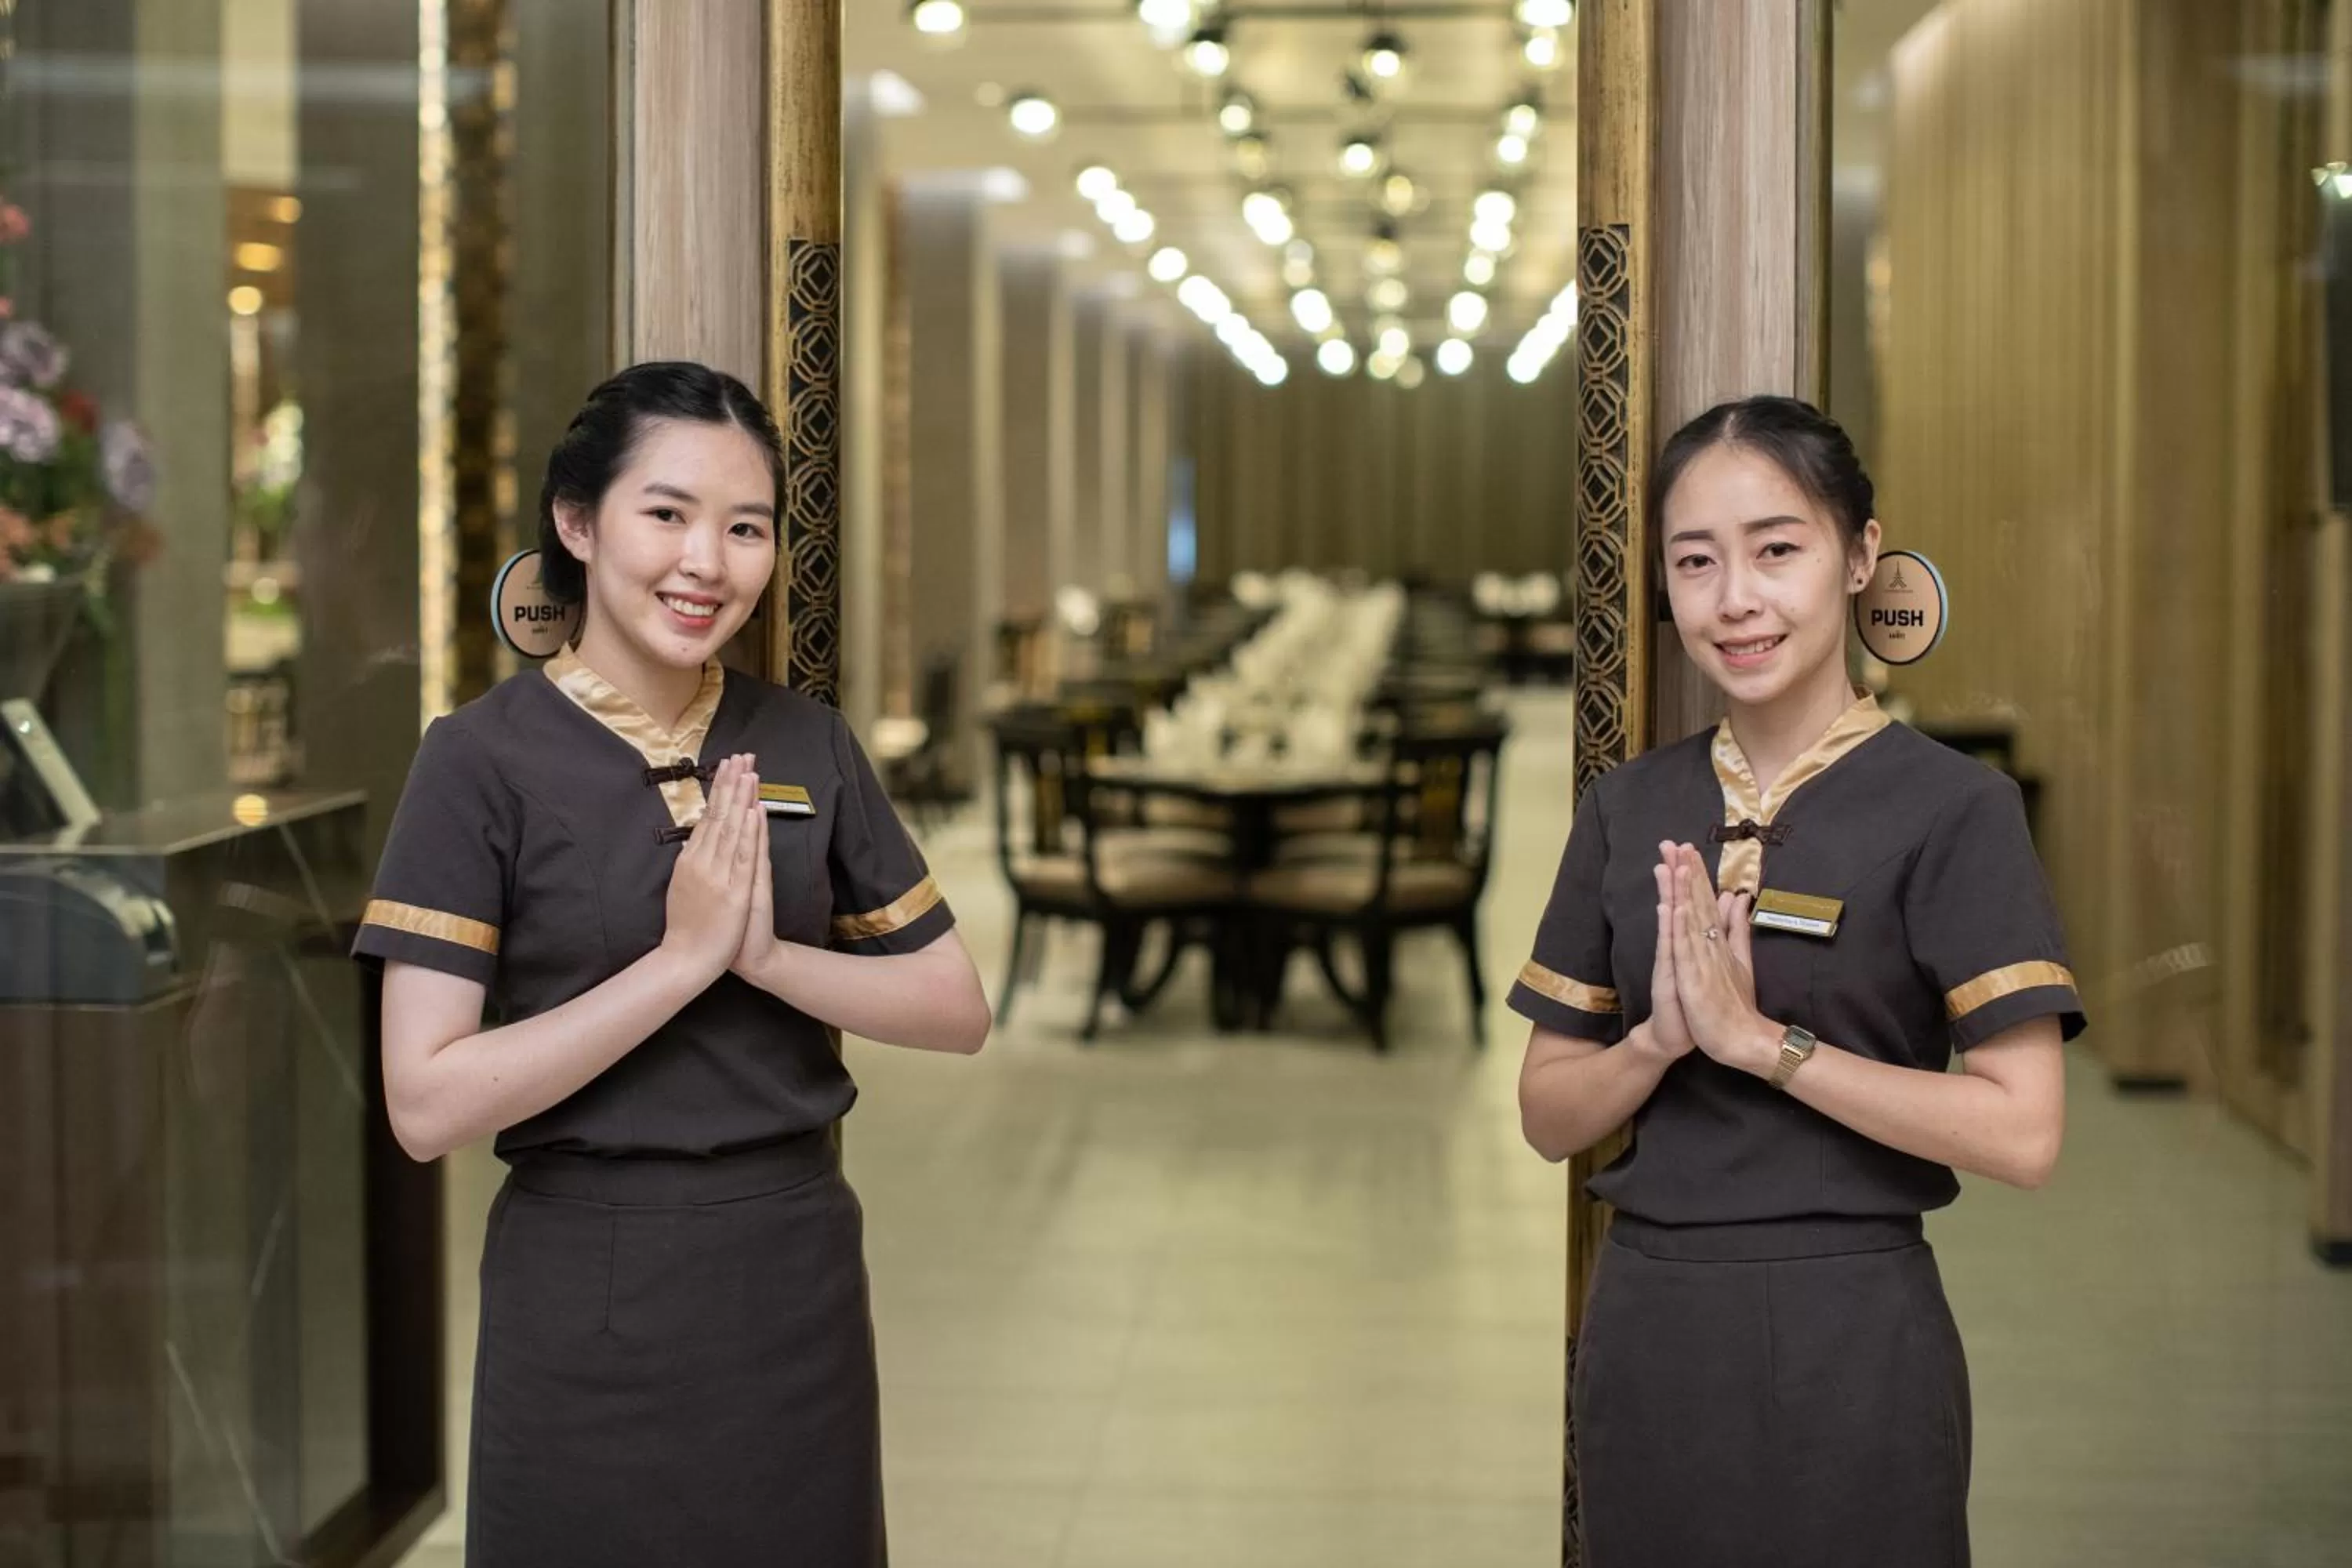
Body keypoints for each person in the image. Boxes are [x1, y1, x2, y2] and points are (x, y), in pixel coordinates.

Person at [353, 361, 991, 1567]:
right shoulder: (478, 762)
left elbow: (952, 1006)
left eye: (745, 528)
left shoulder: (804, 740)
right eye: (668, 514)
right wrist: (683, 961)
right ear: (579, 522)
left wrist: (764, 958)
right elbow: (425, 1103)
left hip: (793, 1270)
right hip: (588, 1286)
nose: (709, 561)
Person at [1512, 395, 2078, 1567]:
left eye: (1779, 549)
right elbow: (1545, 1112)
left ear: (1861, 555)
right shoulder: (1629, 810)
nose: (1736, 600)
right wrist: (1660, 1041)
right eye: (1697, 562)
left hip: (1855, 1328)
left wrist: (1765, 1043)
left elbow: (2025, 1134)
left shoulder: (1954, 809)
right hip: (1654, 1324)